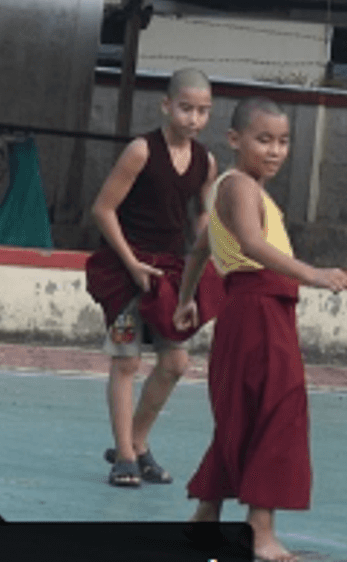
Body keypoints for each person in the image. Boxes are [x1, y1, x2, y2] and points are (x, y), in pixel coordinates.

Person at [180, 96, 347, 562]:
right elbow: (252, 245)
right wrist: (309, 273)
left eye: (283, 141)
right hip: (258, 309)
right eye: (263, 140)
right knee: (279, 410)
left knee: (243, 412)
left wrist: (184, 299)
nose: (274, 151)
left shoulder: (241, 190)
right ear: (235, 140)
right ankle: (260, 532)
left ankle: (206, 518)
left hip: (252, 311)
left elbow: (199, 247)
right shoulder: (239, 187)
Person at [86, 68, 219, 488]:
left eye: (203, 111)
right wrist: (131, 264)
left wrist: (209, 253)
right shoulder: (141, 151)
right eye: (186, 108)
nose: (193, 119)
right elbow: (103, 210)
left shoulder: (205, 161)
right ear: (166, 105)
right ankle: (123, 456)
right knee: (126, 361)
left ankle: (138, 443)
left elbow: (202, 214)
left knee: (176, 362)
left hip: (171, 273)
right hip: (127, 269)